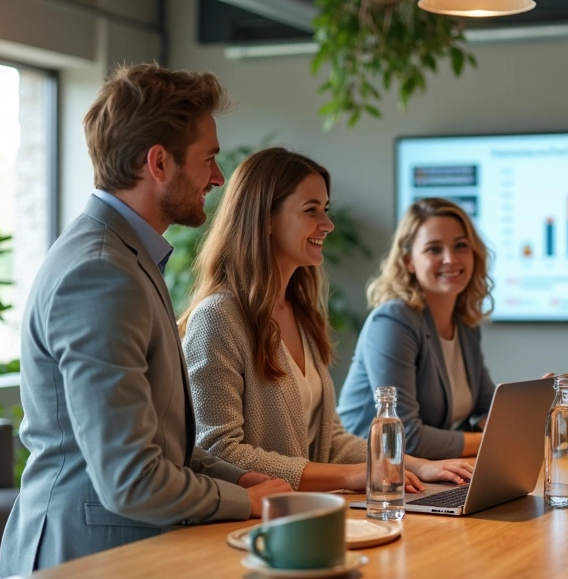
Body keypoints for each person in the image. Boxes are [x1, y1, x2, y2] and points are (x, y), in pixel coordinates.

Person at [0, 64, 291, 577]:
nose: (218, 178)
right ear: (158, 162)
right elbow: (131, 478)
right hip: (82, 569)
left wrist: (239, 479)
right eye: (209, 159)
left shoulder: (127, 255)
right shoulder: (100, 272)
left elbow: (162, 440)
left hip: (117, 556)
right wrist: (244, 502)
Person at [181, 149, 473, 491]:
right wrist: (350, 477)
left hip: (301, 513)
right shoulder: (217, 319)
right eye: (311, 211)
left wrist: (418, 466)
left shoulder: (300, 314)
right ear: (266, 219)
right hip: (248, 526)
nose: (328, 224)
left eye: (326, 209)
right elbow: (218, 451)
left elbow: (331, 442)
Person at [338, 198, 496, 459]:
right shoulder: (393, 321)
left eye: (461, 246)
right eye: (434, 249)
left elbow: (486, 408)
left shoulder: (465, 324)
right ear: (409, 261)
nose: (450, 259)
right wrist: (488, 441)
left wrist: (524, 412)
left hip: (424, 472)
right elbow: (404, 437)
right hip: (366, 476)